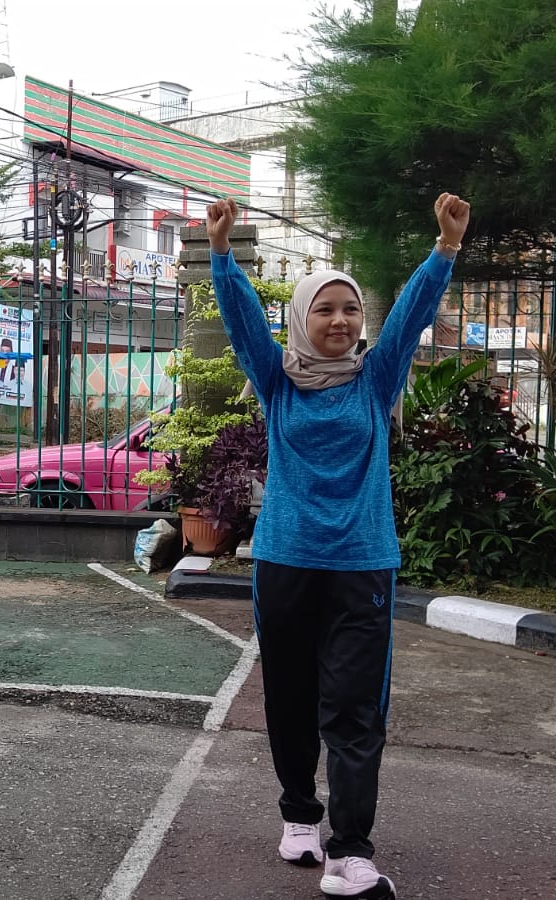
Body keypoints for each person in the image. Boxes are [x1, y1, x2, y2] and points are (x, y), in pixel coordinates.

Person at [208, 192, 470, 900]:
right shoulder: (277, 382)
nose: (339, 321)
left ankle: (350, 851)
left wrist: (444, 249)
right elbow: (241, 325)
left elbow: (411, 316)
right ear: (302, 319)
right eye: (323, 309)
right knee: (290, 698)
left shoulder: (375, 380)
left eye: (349, 309)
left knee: (354, 710)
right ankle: (300, 815)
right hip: (286, 562)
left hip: (361, 566)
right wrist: (222, 254)